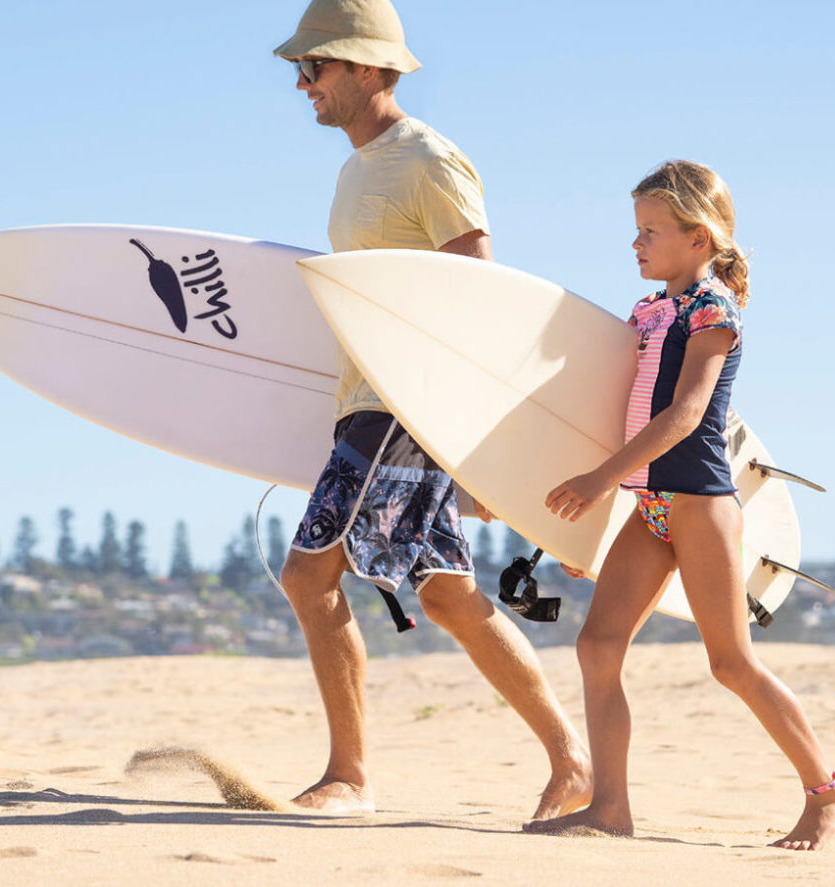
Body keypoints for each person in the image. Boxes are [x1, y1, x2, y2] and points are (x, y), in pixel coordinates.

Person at [268, 0, 590, 819]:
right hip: (367, 406)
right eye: (300, 69)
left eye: (318, 66)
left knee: (310, 574)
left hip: (403, 406)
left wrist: (475, 442)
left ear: (370, 69)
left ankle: (350, 774)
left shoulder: (429, 161)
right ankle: (572, 760)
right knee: (445, 595)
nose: (303, 83)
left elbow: (480, 300)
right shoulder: (354, 171)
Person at [531, 160, 835, 849]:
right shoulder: (648, 311)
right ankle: (611, 807)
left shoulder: (713, 310)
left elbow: (684, 415)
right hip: (650, 505)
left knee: (730, 663)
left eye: (651, 230)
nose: (636, 243)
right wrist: (589, 523)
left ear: (699, 238)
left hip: (702, 504)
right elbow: (612, 413)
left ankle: (827, 793)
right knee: (597, 646)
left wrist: (595, 481)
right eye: (637, 230)